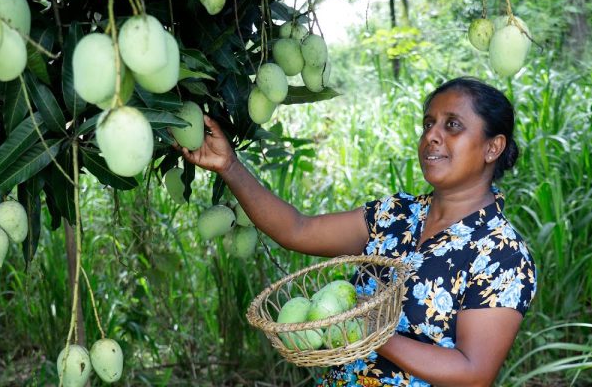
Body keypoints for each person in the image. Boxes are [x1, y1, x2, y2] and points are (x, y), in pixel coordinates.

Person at [180, 77, 537, 386]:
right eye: (428, 124)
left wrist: (369, 332)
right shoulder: (395, 215)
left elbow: (474, 374)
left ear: (493, 147)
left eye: (452, 125)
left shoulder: (502, 254)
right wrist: (229, 165)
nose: (432, 136)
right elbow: (297, 229)